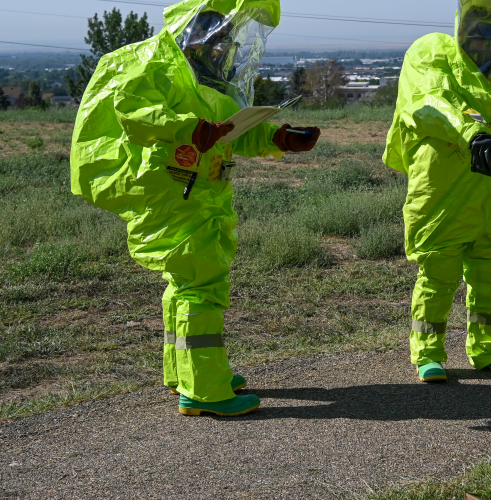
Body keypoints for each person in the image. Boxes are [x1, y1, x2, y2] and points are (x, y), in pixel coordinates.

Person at [70, 0, 320, 417]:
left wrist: (278, 138)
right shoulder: (148, 60)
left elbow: (227, 131)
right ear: (193, 23)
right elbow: (134, 114)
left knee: (185, 280)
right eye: (216, 31)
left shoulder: (204, 77)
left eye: (228, 36)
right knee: (201, 282)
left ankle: (182, 371)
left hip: (200, 190)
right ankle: (205, 390)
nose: (222, 43)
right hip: (168, 187)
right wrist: (188, 129)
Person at [383, 0, 491, 383]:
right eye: (477, 33)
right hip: (442, 190)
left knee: (489, 269)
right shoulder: (432, 53)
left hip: (486, 190)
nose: (483, 42)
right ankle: (428, 353)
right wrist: (473, 135)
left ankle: (488, 348)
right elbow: (428, 104)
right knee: (438, 273)